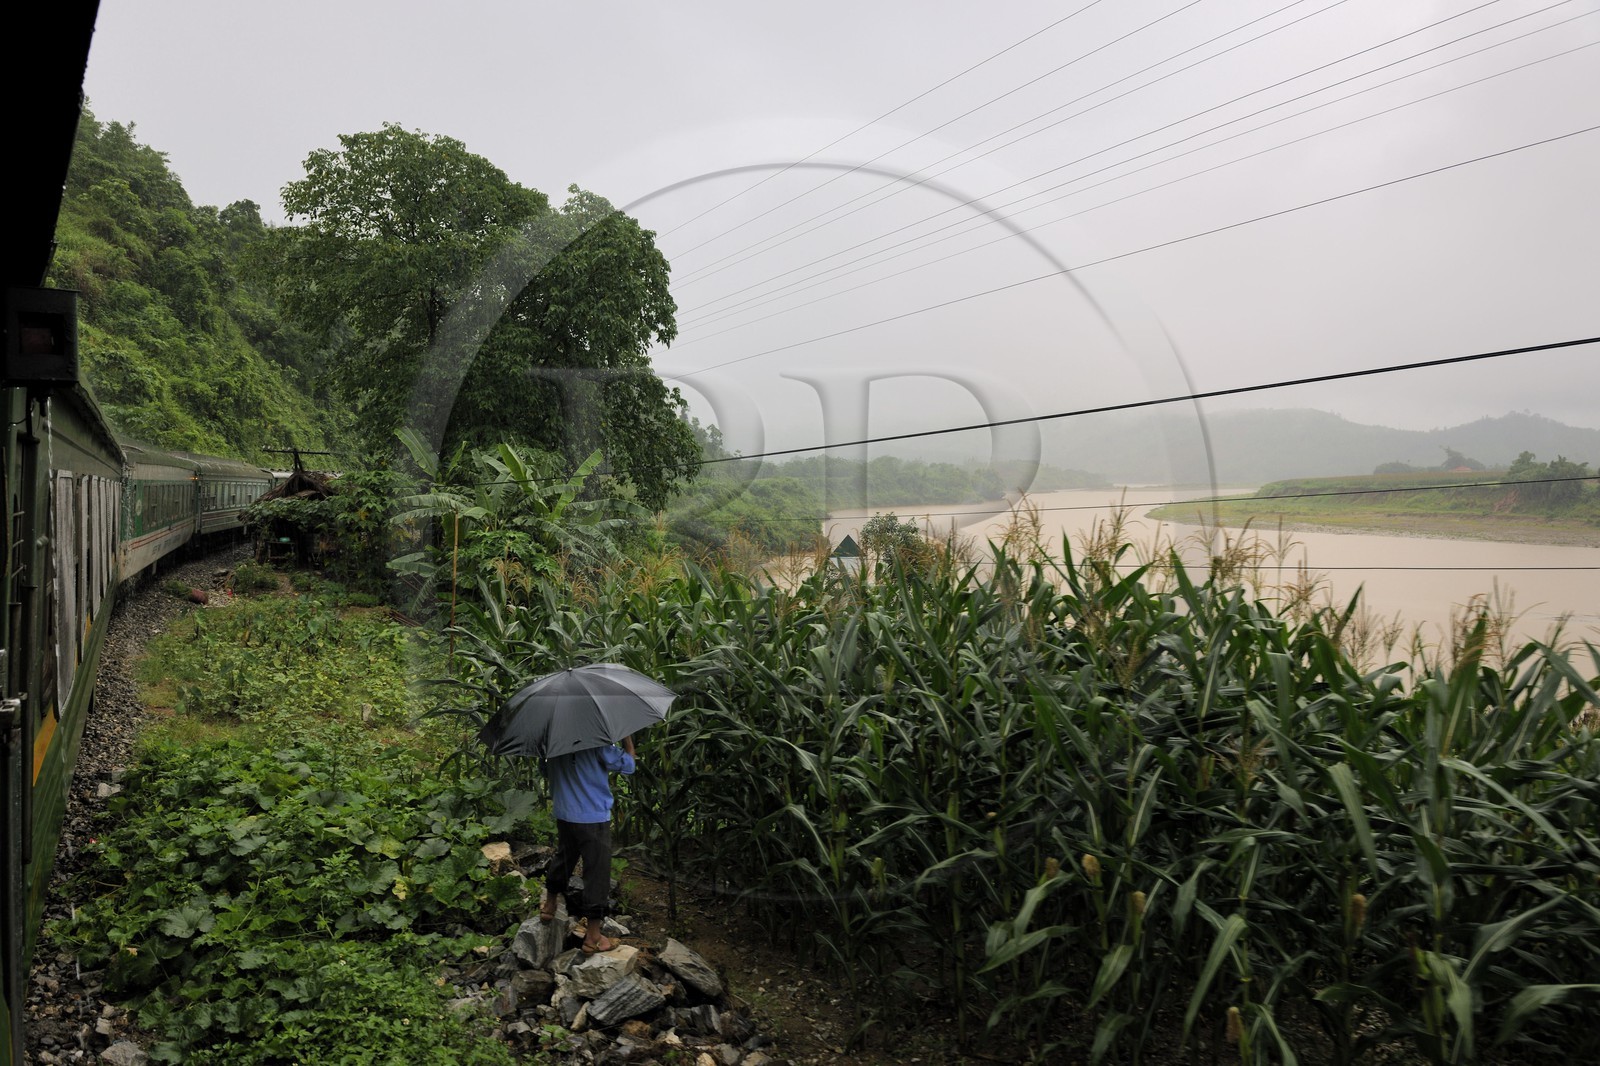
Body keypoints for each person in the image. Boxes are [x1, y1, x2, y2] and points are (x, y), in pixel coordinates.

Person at [539, 734, 635, 953]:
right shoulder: (597, 740)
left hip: (564, 812)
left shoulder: (553, 741)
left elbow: (544, 771)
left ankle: (549, 905)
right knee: (597, 872)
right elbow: (627, 765)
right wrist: (627, 740)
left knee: (564, 856)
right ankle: (593, 936)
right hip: (593, 816)